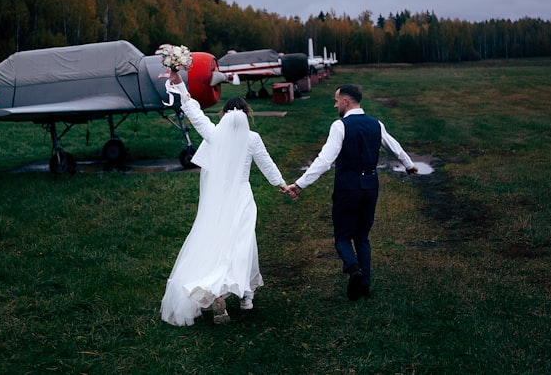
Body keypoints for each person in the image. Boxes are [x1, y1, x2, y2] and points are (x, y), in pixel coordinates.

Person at [160, 71, 290, 326]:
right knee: (243, 245)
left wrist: (182, 87)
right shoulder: (252, 139)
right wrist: (282, 184)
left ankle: (216, 289)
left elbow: (195, 115)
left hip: (218, 200)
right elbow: (267, 164)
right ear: (246, 115)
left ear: (224, 116)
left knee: (217, 243)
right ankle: (246, 297)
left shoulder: (214, 135)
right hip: (242, 198)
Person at [285, 84, 432, 300]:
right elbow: (395, 146)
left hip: (348, 186)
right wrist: (409, 165)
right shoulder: (376, 124)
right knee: (362, 237)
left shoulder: (340, 126)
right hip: (371, 186)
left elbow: (325, 160)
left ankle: (353, 269)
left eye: (336, 100)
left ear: (346, 101)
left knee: (342, 237)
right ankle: (365, 285)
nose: (335, 104)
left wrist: (300, 184)